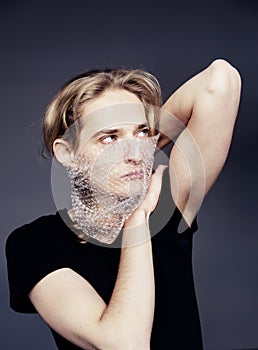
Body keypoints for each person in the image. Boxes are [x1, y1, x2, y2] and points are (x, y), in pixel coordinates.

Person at [5, 59, 241, 350]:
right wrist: (137, 220)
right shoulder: (35, 243)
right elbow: (125, 343)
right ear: (67, 153)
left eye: (143, 132)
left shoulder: (167, 208)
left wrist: (135, 147)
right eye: (109, 137)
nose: (135, 153)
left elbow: (220, 80)